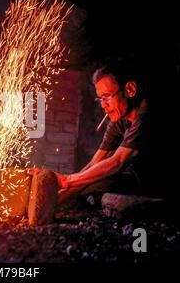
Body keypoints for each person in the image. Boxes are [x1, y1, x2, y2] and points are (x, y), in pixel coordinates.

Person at [30, 60, 155, 208]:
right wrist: (62, 195)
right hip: (136, 178)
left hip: (157, 183)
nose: (103, 105)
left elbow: (117, 162)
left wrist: (67, 180)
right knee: (89, 183)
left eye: (107, 96)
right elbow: (94, 164)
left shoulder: (146, 115)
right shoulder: (118, 121)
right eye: (100, 98)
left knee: (95, 187)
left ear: (130, 89)